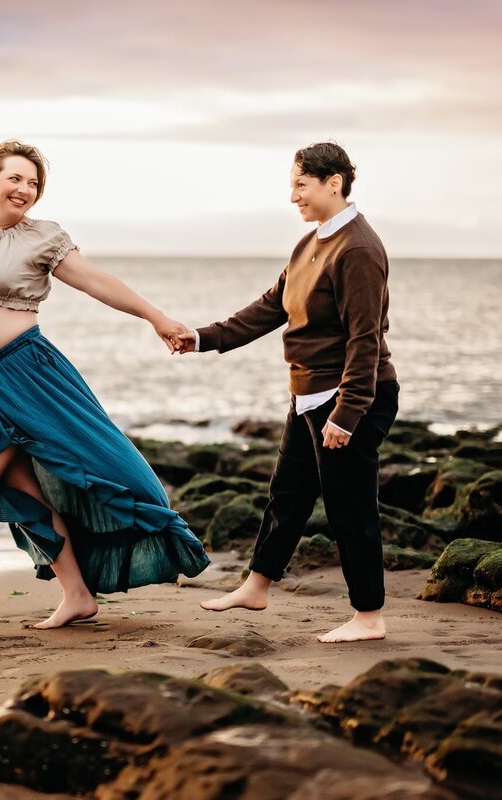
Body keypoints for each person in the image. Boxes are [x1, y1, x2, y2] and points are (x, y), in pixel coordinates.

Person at [0, 139, 211, 642]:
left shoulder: (43, 238)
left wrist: (155, 317)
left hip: (20, 376)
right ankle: (77, 595)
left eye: (33, 183)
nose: (25, 190)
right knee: (20, 491)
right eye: (14, 178)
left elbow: (97, 281)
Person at [177, 142, 399, 643]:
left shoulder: (358, 249)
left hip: (348, 398)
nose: (292, 195)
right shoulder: (311, 243)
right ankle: (256, 586)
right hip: (310, 396)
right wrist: (201, 338)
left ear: (334, 183)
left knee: (351, 509)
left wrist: (347, 414)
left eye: (301, 184)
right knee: (287, 495)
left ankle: (369, 617)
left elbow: (366, 339)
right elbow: (271, 306)